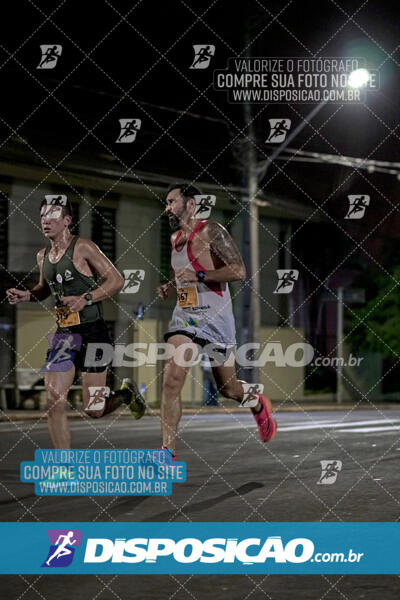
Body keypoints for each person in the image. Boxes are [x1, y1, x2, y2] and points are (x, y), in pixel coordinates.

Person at [6, 195, 145, 448]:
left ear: (67, 220)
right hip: (65, 334)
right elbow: (44, 288)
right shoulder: (42, 256)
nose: (46, 221)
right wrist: (27, 295)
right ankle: (64, 464)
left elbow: (116, 280)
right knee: (53, 399)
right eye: (42, 216)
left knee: (94, 409)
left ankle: (126, 394)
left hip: (94, 333)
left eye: (52, 215)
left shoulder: (83, 247)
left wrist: (86, 298)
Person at [157, 183, 277, 457]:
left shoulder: (211, 231)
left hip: (216, 319)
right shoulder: (174, 238)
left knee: (229, 389)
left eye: (172, 201)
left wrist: (199, 277)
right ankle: (167, 453)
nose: (167, 208)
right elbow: (184, 274)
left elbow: (238, 271)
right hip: (185, 317)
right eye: (166, 202)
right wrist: (171, 285)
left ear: (190, 204)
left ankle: (257, 404)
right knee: (172, 379)